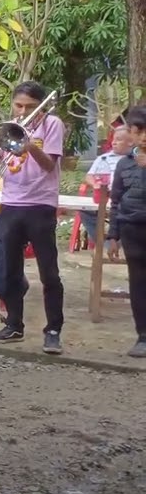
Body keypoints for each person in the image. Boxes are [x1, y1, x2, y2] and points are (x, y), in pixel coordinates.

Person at [0, 81, 66, 353]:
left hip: (40, 205)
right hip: (10, 204)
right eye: (19, 105)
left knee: (49, 272)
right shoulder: (11, 125)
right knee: (10, 269)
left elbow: (48, 166)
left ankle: (53, 329)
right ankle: (14, 325)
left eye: (31, 107)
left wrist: (30, 145)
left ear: (42, 106)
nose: (23, 111)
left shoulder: (52, 124)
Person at [108, 106, 146, 358]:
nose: (143, 137)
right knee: (139, 284)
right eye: (138, 130)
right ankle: (143, 336)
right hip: (133, 229)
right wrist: (114, 235)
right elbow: (116, 199)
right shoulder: (124, 164)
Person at [80, 126, 132, 245]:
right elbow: (89, 176)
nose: (114, 142)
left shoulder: (136, 159)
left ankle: (121, 243)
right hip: (105, 196)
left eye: (118, 139)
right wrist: (95, 184)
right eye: (113, 139)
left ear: (130, 142)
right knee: (84, 211)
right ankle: (104, 244)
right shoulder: (103, 158)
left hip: (127, 200)